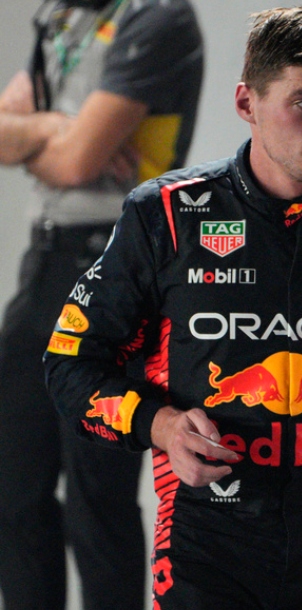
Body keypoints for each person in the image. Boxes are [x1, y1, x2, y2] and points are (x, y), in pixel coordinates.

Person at [43, 6, 302, 609]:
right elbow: (69, 362)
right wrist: (160, 426)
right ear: (247, 102)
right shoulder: (166, 215)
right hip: (204, 548)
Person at [0, 0, 202, 607]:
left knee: (97, 502)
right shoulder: (63, 15)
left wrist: (43, 135)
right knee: (13, 490)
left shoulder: (158, 17)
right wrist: (55, 127)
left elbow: (75, 160)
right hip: (44, 263)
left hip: (115, 266)